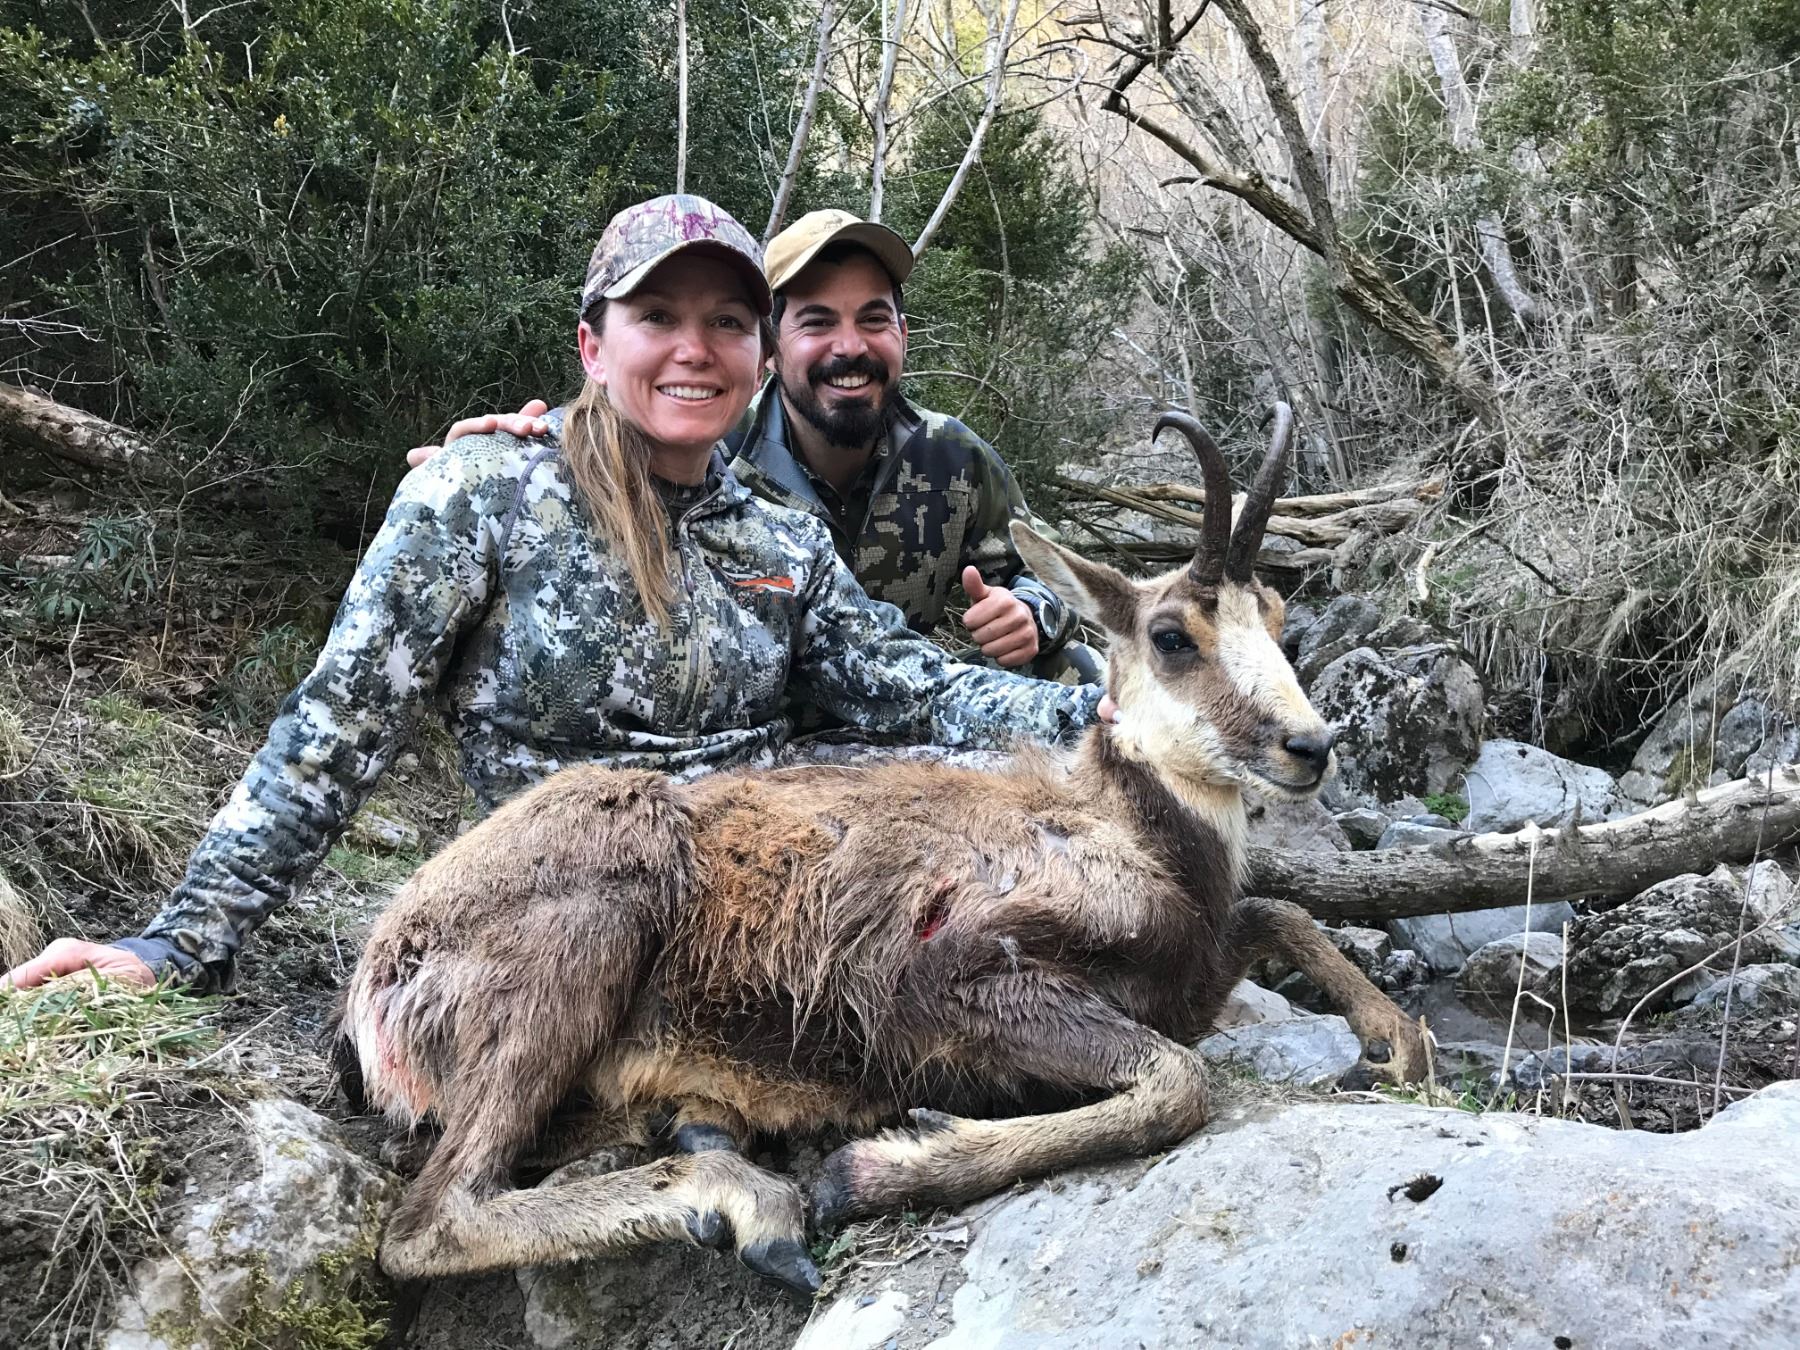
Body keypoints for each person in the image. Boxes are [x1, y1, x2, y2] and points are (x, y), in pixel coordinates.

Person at [4, 194, 1106, 995]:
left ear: (758, 356)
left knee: (1009, 801)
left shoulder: (779, 535)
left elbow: (915, 688)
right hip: (570, 906)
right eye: (656, 317)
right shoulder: (481, 493)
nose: (695, 350)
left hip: (768, 897)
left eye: (727, 322)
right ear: (592, 344)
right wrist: (180, 942)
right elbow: (334, 731)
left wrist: (1107, 718)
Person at [422, 210, 1085, 673]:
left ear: (903, 336)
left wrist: (1031, 613)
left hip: (895, 697)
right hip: (754, 729)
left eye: (873, 320)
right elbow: (594, 437)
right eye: (817, 322)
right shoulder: (709, 444)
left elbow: (1055, 572)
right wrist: (482, 468)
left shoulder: (953, 458)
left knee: (1073, 670)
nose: (850, 347)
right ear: (772, 349)